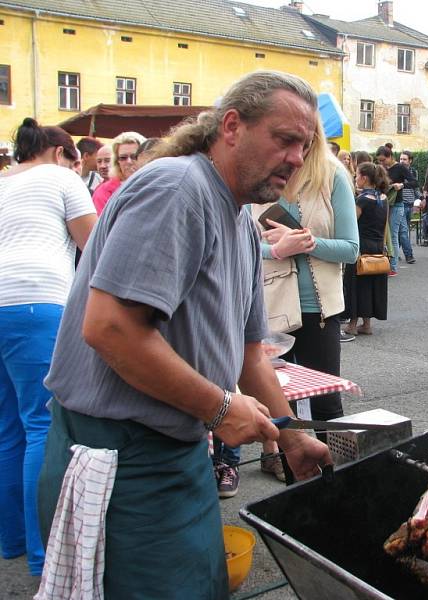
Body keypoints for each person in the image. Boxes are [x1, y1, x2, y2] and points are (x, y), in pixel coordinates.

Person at [38, 71, 332, 598]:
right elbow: (110, 328)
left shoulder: (242, 222)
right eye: (284, 139)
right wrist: (220, 408)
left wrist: (289, 433)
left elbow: (249, 356)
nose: (295, 157)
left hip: (176, 453)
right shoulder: (178, 187)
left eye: (303, 146)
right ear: (233, 126)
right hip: (120, 458)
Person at [0, 118, 96, 576]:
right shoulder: (61, 178)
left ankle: (11, 540)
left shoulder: (2, 182)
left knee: (6, 428)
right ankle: (43, 555)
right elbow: (96, 246)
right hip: (38, 303)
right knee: (42, 424)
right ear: (62, 155)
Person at [255, 117, 358, 484]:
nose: (295, 148)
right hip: (269, 308)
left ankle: (340, 483)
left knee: (327, 404)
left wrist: (306, 242)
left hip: (319, 311)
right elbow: (241, 244)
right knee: (276, 406)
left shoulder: (332, 176)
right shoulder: (260, 173)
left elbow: (351, 249)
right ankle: (293, 486)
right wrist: (277, 248)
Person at [343, 162, 390, 336]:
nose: (355, 178)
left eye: (356, 175)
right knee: (371, 284)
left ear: (364, 178)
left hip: (361, 245)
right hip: (378, 245)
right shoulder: (383, 198)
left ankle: (352, 324)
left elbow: (351, 222)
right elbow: (385, 223)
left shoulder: (362, 200)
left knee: (355, 284)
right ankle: (367, 324)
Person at [375, 145, 414, 275]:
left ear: (390, 157)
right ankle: (386, 263)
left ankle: (393, 267)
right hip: (384, 203)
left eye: (383, 160)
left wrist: (402, 185)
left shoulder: (400, 167)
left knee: (393, 236)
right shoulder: (381, 168)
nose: (381, 163)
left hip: (397, 205)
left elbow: (415, 182)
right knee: (385, 235)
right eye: (379, 161)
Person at [91, 130, 146, 215]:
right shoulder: (104, 192)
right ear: (117, 161)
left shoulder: (157, 185)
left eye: (134, 156)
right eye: (123, 157)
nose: (129, 161)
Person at [398, 150, 418, 262]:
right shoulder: (397, 170)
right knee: (404, 230)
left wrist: (421, 198)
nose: (402, 161)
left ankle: (394, 253)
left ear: (410, 161)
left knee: (402, 231)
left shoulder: (413, 172)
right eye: (401, 159)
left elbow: (415, 186)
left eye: (404, 159)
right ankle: (409, 255)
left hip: (410, 204)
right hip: (400, 204)